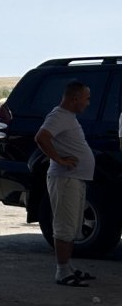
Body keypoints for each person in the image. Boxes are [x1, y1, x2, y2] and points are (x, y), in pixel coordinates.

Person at [35, 81, 96, 286]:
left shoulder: (68, 117)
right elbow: (41, 137)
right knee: (64, 226)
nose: (88, 103)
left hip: (75, 178)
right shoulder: (58, 116)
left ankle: (68, 267)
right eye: (86, 98)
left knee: (73, 227)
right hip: (65, 180)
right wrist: (59, 160)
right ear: (75, 98)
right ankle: (62, 272)